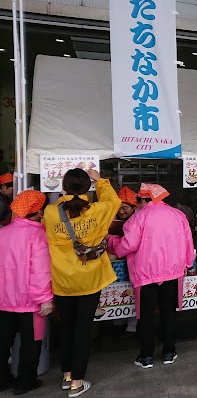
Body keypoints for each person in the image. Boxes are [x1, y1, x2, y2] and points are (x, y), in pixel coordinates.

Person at [43, 168, 120, 397]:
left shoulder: (49, 213)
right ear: (87, 188)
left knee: (66, 328)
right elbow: (113, 199)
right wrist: (100, 180)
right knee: (83, 330)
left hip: (63, 280)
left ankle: (67, 375)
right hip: (89, 279)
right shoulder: (98, 210)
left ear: (63, 188)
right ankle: (77, 381)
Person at [106, 184, 194, 369]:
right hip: (173, 272)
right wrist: (186, 264)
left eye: (139, 200)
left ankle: (146, 356)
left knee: (145, 316)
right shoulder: (178, 215)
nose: (138, 203)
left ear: (145, 199)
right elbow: (188, 243)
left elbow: (127, 246)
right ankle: (169, 352)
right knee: (169, 313)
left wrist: (112, 242)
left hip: (146, 275)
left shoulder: (139, 217)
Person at [0, 191, 53, 395]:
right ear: (38, 210)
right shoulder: (39, 235)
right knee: (31, 344)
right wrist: (45, 300)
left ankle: (2, 379)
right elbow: (40, 271)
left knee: (3, 342)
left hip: (3, 300)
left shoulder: (3, 233)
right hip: (30, 302)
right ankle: (25, 382)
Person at [107, 186, 139, 337]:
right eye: (119, 208)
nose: (121, 211)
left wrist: (112, 241)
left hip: (134, 262)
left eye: (125, 208)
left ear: (134, 206)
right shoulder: (118, 221)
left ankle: (131, 327)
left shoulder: (137, 220)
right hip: (122, 262)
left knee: (132, 294)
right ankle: (118, 323)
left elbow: (129, 244)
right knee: (122, 291)